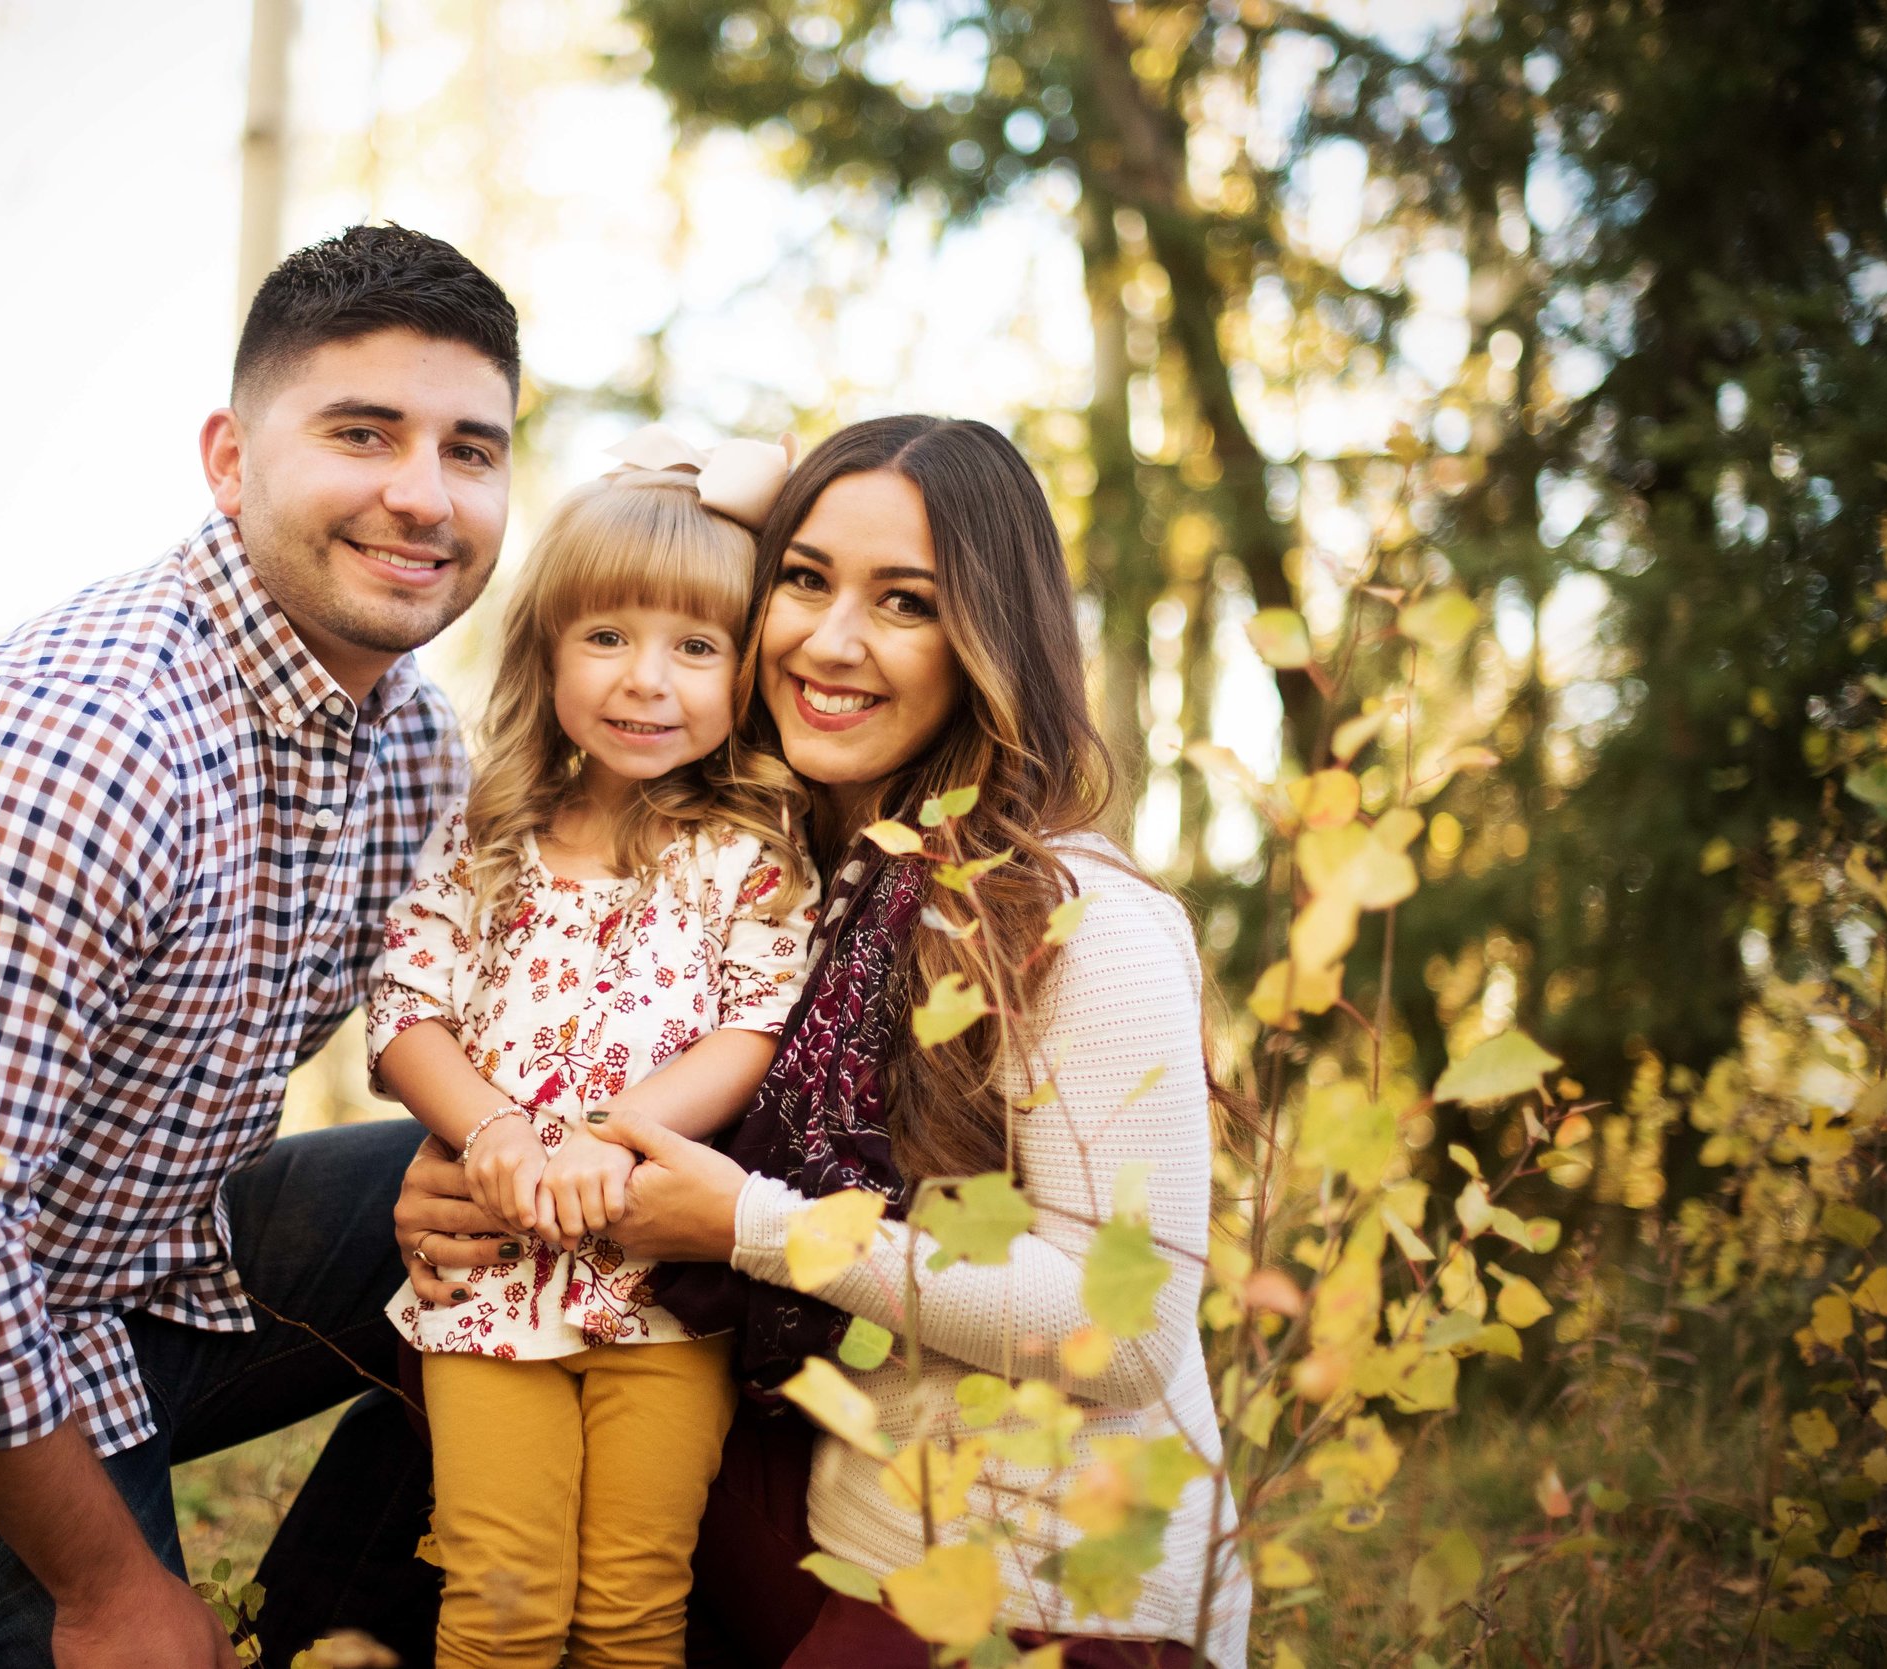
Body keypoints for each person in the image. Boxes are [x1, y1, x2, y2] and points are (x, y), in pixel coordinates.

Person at [0, 224, 519, 1669]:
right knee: (118, 1633)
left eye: (471, 449)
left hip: (134, 1268)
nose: (420, 494)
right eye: (362, 432)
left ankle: (328, 1632)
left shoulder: (408, 741)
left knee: (521, 1204)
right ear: (228, 457)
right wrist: (110, 1591)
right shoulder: (95, 739)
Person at [381, 416, 1253, 1668]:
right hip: (849, 1497)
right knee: (461, 1396)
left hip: (1047, 1576)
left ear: (985, 641)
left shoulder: (1076, 914)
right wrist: (458, 1169)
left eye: (904, 602)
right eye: (803, 580)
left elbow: (1125, 1335)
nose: (828, 640)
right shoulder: (789, 875)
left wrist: (751, 1228)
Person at [367, 426, 818, 1667]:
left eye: (694, 646)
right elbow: (407, 1007)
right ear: (549, 648)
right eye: (606, 636)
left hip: (661, 1292)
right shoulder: (492, 834)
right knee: (499, 1592)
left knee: (630, 1604)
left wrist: (609, 1138)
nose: (645, 680)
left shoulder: (750, 851)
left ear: (744, 671)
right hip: (491, 1281)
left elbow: (752, 1023)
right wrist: (499, 1131)